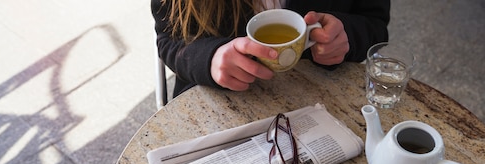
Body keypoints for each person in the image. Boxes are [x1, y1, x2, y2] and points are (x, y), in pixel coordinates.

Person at [152, 0, 390, 97]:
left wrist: (345, 35)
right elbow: (168, 38)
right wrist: (209, 58)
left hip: (319, 100)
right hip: (218, 102)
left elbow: (375, 25)